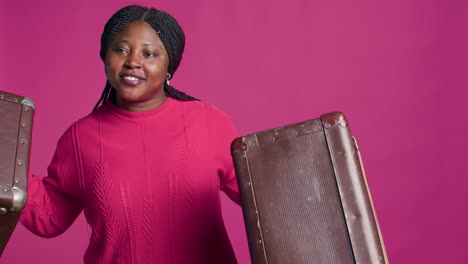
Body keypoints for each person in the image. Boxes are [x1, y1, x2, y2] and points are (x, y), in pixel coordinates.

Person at [20, 5, 241, 264]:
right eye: (121, 50)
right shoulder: (80, 138)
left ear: (169, 66)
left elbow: (264, 201)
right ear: (105, 56)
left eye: (149, 54)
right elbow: (49, 218)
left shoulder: (209, 122)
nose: (133, 61)